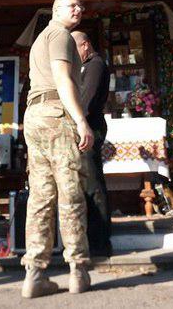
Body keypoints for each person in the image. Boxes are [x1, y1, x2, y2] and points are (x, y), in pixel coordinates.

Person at [21, 0, 94, 299]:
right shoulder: (61, 35)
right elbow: (63, 78)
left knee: (40, 196)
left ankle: (35, 274)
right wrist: (80, 120)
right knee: (70, 192)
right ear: (55, 11)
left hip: (34, 115)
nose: (78, 9)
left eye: (80, 5)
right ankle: (78, 270)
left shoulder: (40, 39)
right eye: (71, 5)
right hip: (56, 115)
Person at [71, 31, 112, 257]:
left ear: (85, 45)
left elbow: (86, 100)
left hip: (90, 126)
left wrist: (76, 120)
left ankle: (100, 241)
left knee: (93, 183)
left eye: (74, 49)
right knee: (86, 182)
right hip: (84, 125)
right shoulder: (85, 65)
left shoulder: (95, 65)